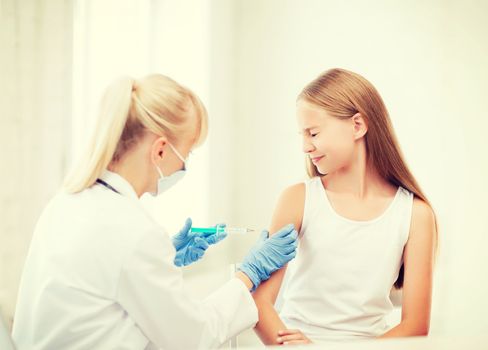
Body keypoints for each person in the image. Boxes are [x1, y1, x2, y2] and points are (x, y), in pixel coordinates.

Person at [12, 74, 298, 349]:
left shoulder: (65, 202)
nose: (184, 164)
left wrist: (166, 258)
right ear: (160, 150)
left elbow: (103, 280)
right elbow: (194, 338)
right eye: (188, 153)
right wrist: (249, 273)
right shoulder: (135, 232)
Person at [252, 68, 437, 345]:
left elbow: (415, 326)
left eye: (313, 133)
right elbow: (259, 302)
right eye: (301, 135)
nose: (304, 146)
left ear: (358, 126)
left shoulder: (416, 215)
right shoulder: (298, 199)